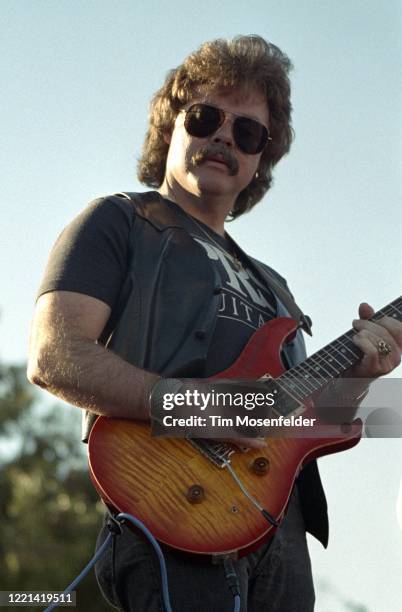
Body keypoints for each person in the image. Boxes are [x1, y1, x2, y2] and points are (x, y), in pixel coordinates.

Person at [27, 35, 401, 611]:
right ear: (171, 127)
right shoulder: (119, 220)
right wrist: (196, 405)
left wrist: (364, 376)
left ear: (259, 162)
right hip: (174, 506)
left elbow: (301, 423)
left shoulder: (277, 288)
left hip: (279, 530)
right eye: (205, 118)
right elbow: (55, 358)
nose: (224, 136)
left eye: (247, 132)